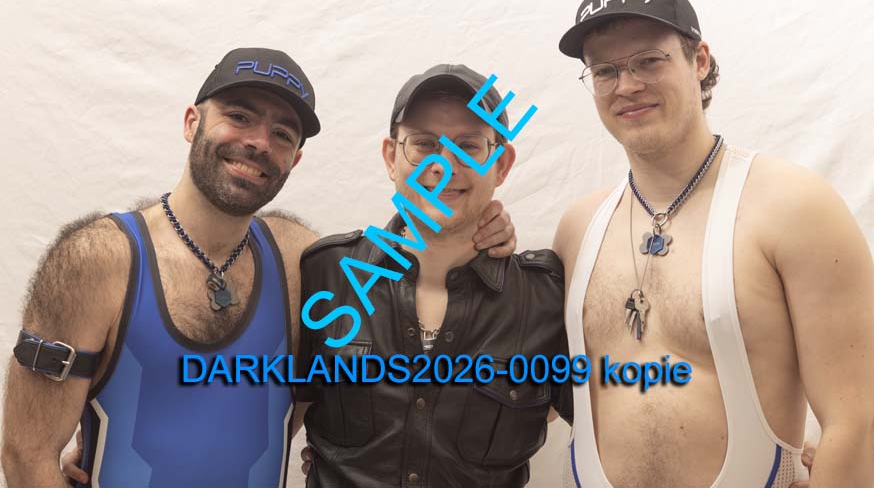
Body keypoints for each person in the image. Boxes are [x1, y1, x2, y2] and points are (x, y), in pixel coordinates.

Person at [1, 48, 515, 488]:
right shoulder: (98, 260)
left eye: (283, 133)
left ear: (295, 159)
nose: (259, 142)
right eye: (239, 116)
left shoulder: (298, 257)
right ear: (191, 121)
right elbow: (25, 454)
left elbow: (397, 270)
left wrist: (482, 227)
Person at [553, 0, 874, 487]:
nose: (626, 85)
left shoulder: (793, 208)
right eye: (605, 70)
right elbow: (534, 396)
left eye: (648, 61)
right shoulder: (577, 230)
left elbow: (856, 423)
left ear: (699, 60)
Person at [295, 64, 568, 487]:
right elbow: (276, 416)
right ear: (391, 157)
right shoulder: (325, 274)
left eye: (469, 145)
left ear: (501, 164)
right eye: (424, 144)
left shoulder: (546, 298)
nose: (443, 165)